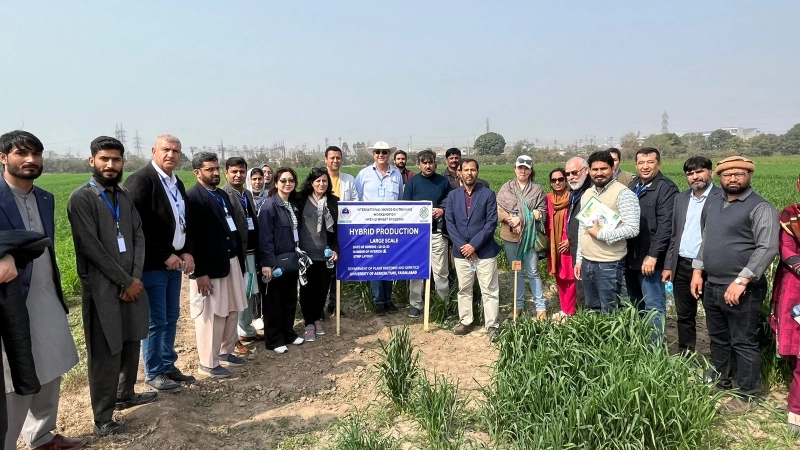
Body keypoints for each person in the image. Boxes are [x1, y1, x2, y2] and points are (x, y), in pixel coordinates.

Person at [0, 130, 84, 450]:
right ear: (3, 158)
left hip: (46, 293)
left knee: (51, 362)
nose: (31, 159)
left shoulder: (45, 198)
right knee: (14, 375)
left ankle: (42, 437)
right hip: (10, 301)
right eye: (21, 153)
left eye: (36, 153)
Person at [67, 136, 154, 436]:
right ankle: (103, 417)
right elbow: (91, 248)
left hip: (131, 284)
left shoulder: (124, 196)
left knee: (131, 339)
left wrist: (135, 277)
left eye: (116, 159)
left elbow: (138, 235)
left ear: (122, 162)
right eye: (104, 159)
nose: (110, 164)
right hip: (103, 289)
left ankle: (125, 394)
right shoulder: (82, 198)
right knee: (105, 350)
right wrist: (125, 280)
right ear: (92, 161)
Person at [691, 156, 779, 406]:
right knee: (718, 337)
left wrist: (742, 281)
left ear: (749, 176)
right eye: (727, 174)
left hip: (743, 289)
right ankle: (722, 381)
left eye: (739, 174)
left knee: (743, 341)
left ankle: (746, 395)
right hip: (713, 284)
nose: (733, 178)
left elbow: (767, 247)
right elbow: (706, 240)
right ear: (719, 177)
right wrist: (697, 271)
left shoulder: (760, 207)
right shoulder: (714, 203)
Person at [124, 134, 196, 392]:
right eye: (166, 149)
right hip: (154, 264)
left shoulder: (177, 183)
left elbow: (184, 220)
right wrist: (165, 253)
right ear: (154, 150)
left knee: (171, 317)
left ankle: (167, 364)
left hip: (175, 263)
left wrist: (186, 251)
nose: (171, 155)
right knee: (156, 320)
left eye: (176, 151)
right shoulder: (141, 181)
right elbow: (138, 226)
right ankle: (154, 372)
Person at [186, 153, 248, 378]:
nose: (214, 173)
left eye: (216, 168)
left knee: (231, 308)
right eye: (209, 169)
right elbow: (192, 239)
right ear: (197, 172)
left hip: (230, 260)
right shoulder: (193, 198)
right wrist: (199, 273)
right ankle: (208, 362)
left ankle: (225, 352)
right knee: (212, 314)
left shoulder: (221, 194)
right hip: (209, 268)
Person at [662, 156, 721, 353]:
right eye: (690, 173)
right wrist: (669, 265)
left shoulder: (721, 197)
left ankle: (718, 358)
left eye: (700, 171)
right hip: (682, 265)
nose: (695, 177)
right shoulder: (681, 198)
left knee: (714, 316)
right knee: (684, 315)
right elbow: (674, 234)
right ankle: (686, 355)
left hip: (709, 267)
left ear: (711, 172)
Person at [574, 150, 640, 313]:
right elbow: (582, 227)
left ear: (612, 168)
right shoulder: (587, 194)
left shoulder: (623, 193)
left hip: (609, 263)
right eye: (595, 169)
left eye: (603, 169)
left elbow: (633, 228)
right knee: (593, 308)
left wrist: (601, 235)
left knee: (610, 310)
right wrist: (579, 258)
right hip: (587, 261)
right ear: (589, 171)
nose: (599, 173)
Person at [444, 159, 502, 341]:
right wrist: (464, 246)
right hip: (461, 253)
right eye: (466, 170)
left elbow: (491, 223)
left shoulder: (488, 194)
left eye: (473, 170)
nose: (469, 173)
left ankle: (492, 325)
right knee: (464, 289)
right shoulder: (452, 196)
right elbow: (450, 223)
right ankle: (466, 321)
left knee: (489, 289)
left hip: (485, 251)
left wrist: (474, 245)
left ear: (477, 172)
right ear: (459, 172)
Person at [625, 148, 678, 341]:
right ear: (636, 165)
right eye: (641, 163)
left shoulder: (666, 188)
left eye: (650, 162)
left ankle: (654, 349)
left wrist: (653, 255)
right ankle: (640, 344)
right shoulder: (633, 185)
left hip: (651, 260)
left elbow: (666, 226)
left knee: (654, 306)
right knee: (635, 303)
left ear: (659, 164)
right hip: (631, 256)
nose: (645, 166)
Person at [355, 141, 404, 315]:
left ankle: (388, 299)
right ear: (373, 154)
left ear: (389, 154)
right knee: (375, 264)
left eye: (384, 152)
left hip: (391, 227)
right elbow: (357, 199)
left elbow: (400, 200)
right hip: (370, 228)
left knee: (389, 264)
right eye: (378, 152)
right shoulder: (363, 174)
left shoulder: (396, 175)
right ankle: (378, 301)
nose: (381, 155)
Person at [259, 167, 305, 354]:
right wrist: (267, 263)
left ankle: (288, 333)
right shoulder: (269, 206)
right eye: (283, 180)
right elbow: (265, 238)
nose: (288, 184)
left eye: (291, 180)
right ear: (276, 183)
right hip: (275, 262)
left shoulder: (292, 204)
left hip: (291, 260)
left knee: (289, 299)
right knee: (273, 302)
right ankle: (274, 339)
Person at [402, 150, 451, 318]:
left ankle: (443, 304)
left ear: (435, 164)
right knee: (416, 271)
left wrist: (442, 210)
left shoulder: (443, 182)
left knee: (441, 272)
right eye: (424, 163)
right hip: (417, 235)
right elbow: (406, 208)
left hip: (438, 233)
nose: (428, 166)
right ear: (419, 165)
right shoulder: (412, 183)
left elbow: (450, 201)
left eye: (430, 162)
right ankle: (416, 304)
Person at [497, 155, 547, 319]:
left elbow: (542, 212)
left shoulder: (537, 190)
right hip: (510, 237)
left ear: (531, 170)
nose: (523, 171)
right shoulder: (506, 188)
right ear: (515, 169)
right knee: (516, 271)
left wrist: (521, 219)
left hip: (530, 237)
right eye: (520, 167)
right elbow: (498, 209)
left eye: (526, 168)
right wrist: (511, 220)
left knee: (533, 271)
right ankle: (518, 305)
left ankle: (540, 307)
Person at [221, 157, 262, 352]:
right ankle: (233, 338)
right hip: (236, 255)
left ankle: (246, 330)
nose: (238, 175)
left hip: (251, 253)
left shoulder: (247, 194)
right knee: (235, 295)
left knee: (249, 292)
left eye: (242, 172)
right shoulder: (223, 195)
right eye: (234, 171)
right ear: (226, 173)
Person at [770, 173, 800, 432]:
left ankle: (796, 408)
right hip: (794, 285)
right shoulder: (791, 215)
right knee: (794, 345)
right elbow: (786, 248)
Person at [297, 168, 339, 341]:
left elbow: (339, 229)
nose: (321, 184)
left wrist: (335, 249)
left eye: (324, 181)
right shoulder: (300, 199)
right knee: (307, 289)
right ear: (311, 183)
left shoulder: (334, 201)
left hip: (326, 254)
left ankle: (316, 318)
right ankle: (308, 322)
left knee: (322, 289)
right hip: (305, 255)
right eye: (318, 181)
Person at [323, 146, 357, 317]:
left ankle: (334, 303)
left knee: (338, 268)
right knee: (323, 270)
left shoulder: (349, 180)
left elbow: (356, 202)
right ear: (326, 160)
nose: (335, 161)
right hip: (323, 230)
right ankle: (319, 306)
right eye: (332, 158)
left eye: (338, 158)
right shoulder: (320, 178)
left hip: (343, 228)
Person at [546, 168, 577, 316]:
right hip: (554, 245)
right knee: (559, 276)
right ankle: (564, 308)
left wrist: (571, 240)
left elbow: (579, 223)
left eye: (560, 179)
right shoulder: (548, 199)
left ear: (565, 180)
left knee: (570, 278)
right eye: (554, 180)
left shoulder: (573, 198)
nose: (557, 182)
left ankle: (570, 311)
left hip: (568, 244)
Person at [565, 157, 591, 307]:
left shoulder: (590, 192)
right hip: (576, 246)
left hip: (587, 248)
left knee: (585, 286)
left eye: (575, 172)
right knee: (580, 283)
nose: (571, 177)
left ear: (586, 171)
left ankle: (587, 314)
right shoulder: (575, 192)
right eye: (568, 174)